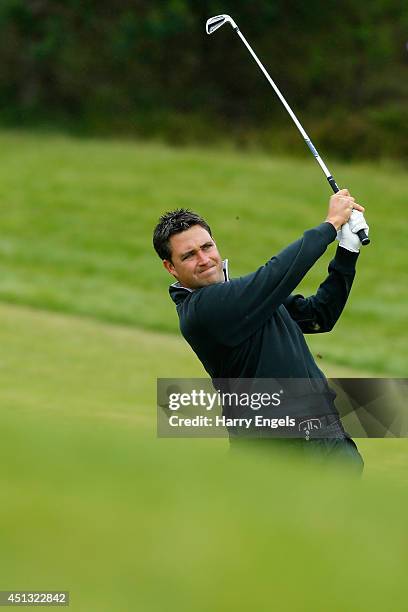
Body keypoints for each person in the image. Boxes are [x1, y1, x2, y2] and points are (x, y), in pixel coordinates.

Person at [153, 190, 369, 472]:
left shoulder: (247, 298)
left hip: (327, 438)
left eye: (207, 247)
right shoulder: (203, 311)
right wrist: (330, 225)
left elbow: (320, 316)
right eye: (189, 255)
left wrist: (347, 251)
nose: (204, 259)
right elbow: (275, 274)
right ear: (170, 267)